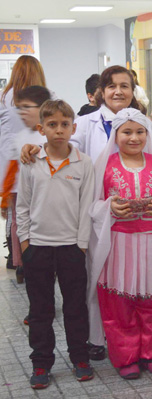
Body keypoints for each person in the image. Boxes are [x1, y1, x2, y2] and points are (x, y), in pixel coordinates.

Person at [19, 66, 152, 361]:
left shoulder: (142, 123)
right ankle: (95, 339)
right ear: (99, 93)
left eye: (125, 86)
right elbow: (61, 145)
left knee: (126, 279)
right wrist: (34, 147)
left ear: (133, 91)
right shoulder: (87, 122)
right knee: (93, 279)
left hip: (132, 218)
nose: (118, 91)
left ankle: (129, 338)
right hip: (88, 214)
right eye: (112, 86)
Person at [88, 108, 152, 379]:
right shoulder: (103, 165)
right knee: (119, 302)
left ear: (148, 133)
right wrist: (110, 208)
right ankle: (125, 356)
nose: (134, 137)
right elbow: (90, 206)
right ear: (115, 135)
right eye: (127, 132)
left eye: (140, 131)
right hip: (118, 243)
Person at [16, 100, 95, 389]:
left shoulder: (83, 163)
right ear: (41, 129)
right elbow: (22, 206)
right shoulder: (30, 161)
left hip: (71, 248)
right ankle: (41, 363)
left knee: (75, 307)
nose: (59, 130)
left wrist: (81, 246)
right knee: (40, 309)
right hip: (37, 246)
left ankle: (80, 357)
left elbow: (87, 206)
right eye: (52, 124)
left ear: (73, 127)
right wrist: (25, 243)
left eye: (64, 124)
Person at [0, 55, 47, 281]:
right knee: (40, 214)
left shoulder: (6, 97)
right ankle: (42, 262)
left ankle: (20, 263)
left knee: (18, 217)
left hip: (14, 166)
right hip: (40, 160)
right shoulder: (45, 96)